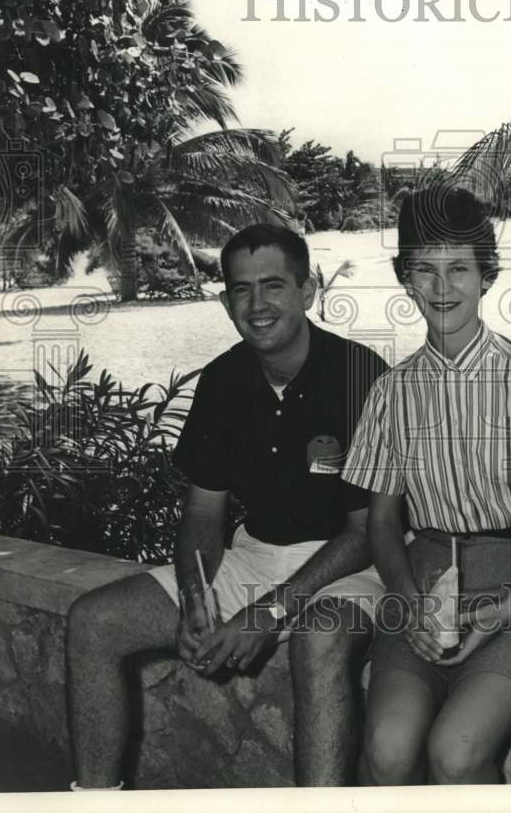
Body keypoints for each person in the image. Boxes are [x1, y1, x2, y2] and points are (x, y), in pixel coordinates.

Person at [66, 224, 388, 789]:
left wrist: (268, 612)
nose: (258, 305)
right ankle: (94, 799)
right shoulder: (221, 380)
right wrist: (196, 598)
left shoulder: (363, 377)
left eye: (273, 286)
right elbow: (203, 515)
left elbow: (365, 533)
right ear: (225, 301)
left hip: (354, 567)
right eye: (241, 290)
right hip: (255, 557)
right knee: (94, 621)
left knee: (320, 640)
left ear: (309, 290)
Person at [342, 185, 511, 785]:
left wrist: (510, 601)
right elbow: (381, 523)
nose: (442, 287)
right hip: (422, 587)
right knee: (387, 749)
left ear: (487, 276)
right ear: (405, 280)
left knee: (456, 752)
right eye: (424, 271)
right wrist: (408, 603)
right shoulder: (390, 393)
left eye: (459, 269)